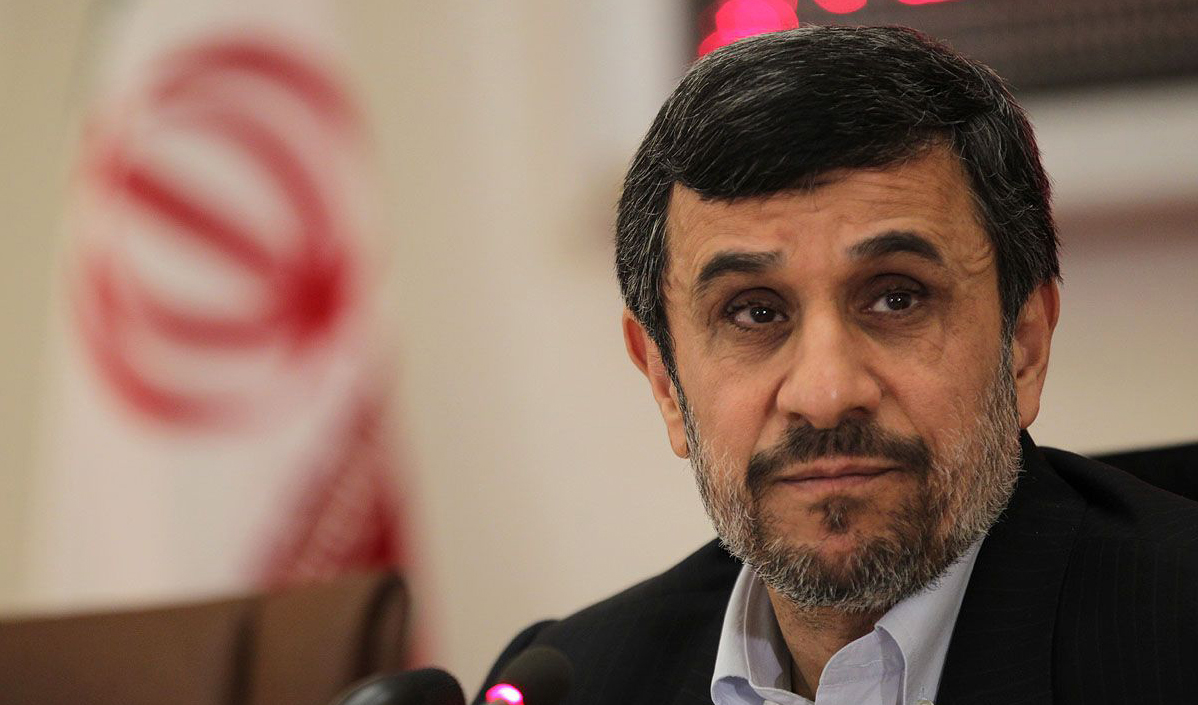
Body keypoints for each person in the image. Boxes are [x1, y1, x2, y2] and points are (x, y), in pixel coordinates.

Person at [478, 25, 1198, 705]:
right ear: (665, 381)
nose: (825, 393)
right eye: (755, 312)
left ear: (1025, 346)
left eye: (895, 298)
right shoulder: (579, 680)